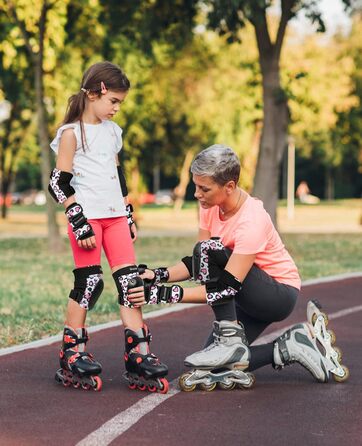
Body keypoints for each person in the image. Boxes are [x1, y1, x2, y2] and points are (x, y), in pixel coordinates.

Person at [128, 144, 348, 390]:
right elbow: (200, 264)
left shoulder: (252, 219)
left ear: (229, 187)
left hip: (276, 294)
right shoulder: (210, 207)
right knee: (213, 365)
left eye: (204, 188)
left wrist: (161, 295)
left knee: (210, 252)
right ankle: (289, 347)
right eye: (196, 186)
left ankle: (229, 342)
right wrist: (158, 275)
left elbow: (225, 289)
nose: (197, 194)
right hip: (243, 292)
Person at [48, 61, 168, 393]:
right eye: (113, 101)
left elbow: (119, 177)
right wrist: (77, 219)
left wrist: (128, 215)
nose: (116, 108)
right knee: (91, 283)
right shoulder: (71, 134)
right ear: (94, 93)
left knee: (131, 283)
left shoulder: (113, 132)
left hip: (115, 216)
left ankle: (139, 355)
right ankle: (72, 352)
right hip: (87, 219)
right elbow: (58, 183)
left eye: (120, 103)